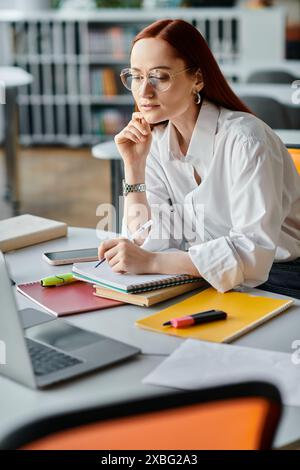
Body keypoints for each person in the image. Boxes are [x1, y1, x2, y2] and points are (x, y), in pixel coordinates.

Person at [98, 18, 300, 296]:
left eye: (160, 76)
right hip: (207, 273)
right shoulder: (156, 142)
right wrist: (134, 168)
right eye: (136, 76)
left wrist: (154, 262)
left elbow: (253, 256)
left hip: (281, 277)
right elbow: (148, 240)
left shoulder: (246, 140)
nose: (144, 92)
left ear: (198, 79)